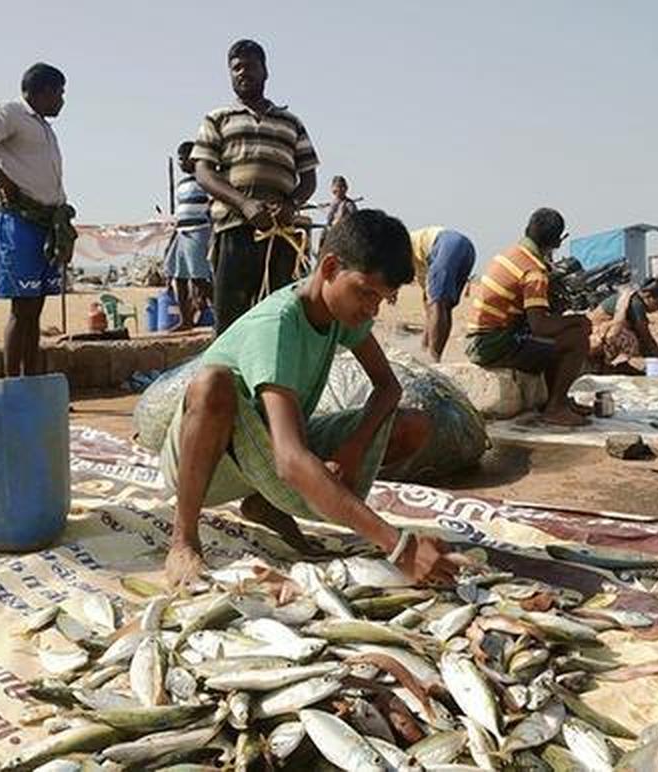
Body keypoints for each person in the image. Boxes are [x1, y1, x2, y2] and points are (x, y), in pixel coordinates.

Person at [159, 210, 466, 588]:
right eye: (366, 293)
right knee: (213, 385)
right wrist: (398, 546)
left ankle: (265, 503)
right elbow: (289, 461)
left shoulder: (340, 315)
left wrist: (353, 449)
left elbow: (389, 387)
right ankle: (183, 538)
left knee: (411, 426)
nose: (372, 309)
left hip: (265, 452)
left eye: (382, 300)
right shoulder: (276, 326)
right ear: (331, 267)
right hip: (211, 464)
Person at [192, 39, 319, 335]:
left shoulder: (291, 122)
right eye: (236, 68)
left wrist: (291, 205)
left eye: (250, 66)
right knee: (230, 321)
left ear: (265, 71)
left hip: (281, 234)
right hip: (234, 229)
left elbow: (309, 178)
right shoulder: (217, 118)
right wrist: (245, 204)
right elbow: (204, 173)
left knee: (281, 318)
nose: (242, 73)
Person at [0, 62, 75, 377]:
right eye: (60, 93)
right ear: (45, 91)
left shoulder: (43, 126)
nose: (62, 100)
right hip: (20, 221)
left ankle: (33, 382)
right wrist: (3, 181)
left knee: (35, 309)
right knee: (21, 307)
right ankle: (14, 384)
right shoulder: (10, 114)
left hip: (45, 222)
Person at [464, 208, 592, 426]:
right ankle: (556, 407)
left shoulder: (510, 255)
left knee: (559, 337)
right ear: (558, 242)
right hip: (492, 344)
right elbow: (540, 326)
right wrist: (577, 320)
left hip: (480, 339)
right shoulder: (533, 271)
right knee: (576, 338)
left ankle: (555, 400)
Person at [164, 141, 214, 329]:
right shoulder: (182, 184)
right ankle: (186, 320)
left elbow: (212, 208)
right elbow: (180, 213)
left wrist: (212, 235)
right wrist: (172, 239)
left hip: (198, 231)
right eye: (179, 160)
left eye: (184, 159)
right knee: (178, 276)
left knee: (199, 278)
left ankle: (222, 317)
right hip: (181, 233)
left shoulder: (207, 179)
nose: (181, 163)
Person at [408, 226, 477, 362]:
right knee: (444, 306)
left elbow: (432, 302)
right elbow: (428, 300)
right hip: (467, 248)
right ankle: (429, 353)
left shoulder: (403, 252)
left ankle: (433, 359)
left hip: (445, 244)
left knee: (437, 304)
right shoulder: (420, 263)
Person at [586, 277, 658, 372]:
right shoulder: (636, 303)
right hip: (594, 336)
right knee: (629, 339)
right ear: (648, 296)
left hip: (596, 334)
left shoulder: (634, 300)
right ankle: (600, 364)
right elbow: (645, 335)